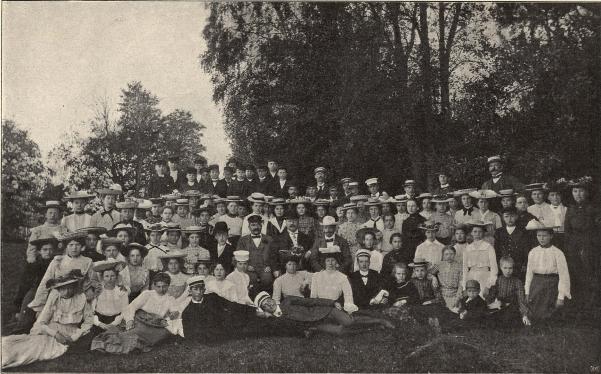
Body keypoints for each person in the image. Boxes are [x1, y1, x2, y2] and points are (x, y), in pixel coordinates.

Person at [2, 271, 94, 369]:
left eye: (69, 288)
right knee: (33, 343)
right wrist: (55, 334)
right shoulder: (54, 298)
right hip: (50, 330)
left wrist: (75, 336)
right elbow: (42, 321)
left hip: (69, 333)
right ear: (58, 289)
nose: (66, 292)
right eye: (63, 289)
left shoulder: (81, 298)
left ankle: (9, 355)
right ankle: (6, 355)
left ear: (74, 287)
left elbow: (88, 321)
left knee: (39, 349)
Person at [91, 273, 180, 354]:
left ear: (168, 286)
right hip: (140, 320)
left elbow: (175, 311)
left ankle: (138, 344)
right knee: (135, 332)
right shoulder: (147, 294)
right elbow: (132, 307)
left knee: (164, 333)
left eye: (164, 286)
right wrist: (130, 320)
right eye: (158, 286)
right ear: (154, 285)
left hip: (155, 324)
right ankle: (111, 345)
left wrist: (173, 314)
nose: (161, 289)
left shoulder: (170, 299)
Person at [256, 291, 395, 337]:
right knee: (341, 332)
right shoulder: (276, 321)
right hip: (316, 325)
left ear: (272, 298)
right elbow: (285, 330)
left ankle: (380, 321)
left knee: (349, 322)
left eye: (268, 300)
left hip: (325, 311)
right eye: (265, 306)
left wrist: (331, 302)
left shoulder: (288, 301)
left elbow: (311, 301)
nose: (269, 304)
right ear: (265, 310)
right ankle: (373, 328)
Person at [28, 231, 94, 313]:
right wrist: (40, 305)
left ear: (82, 247)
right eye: (71, 245)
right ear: (66, 247)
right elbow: (45, 281)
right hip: (58, 297)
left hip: (78, 296)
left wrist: (88, 294)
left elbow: (91, 280)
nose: (74, 248)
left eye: (77, 245)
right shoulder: (58, 260)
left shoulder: (87, 261)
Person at [179, 276, 259, 342]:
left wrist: (253, 310)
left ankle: (266, 317)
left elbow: (231, 305)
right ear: (190, 291)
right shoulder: (187, 312)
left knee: (256, 322)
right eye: (195, 289)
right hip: (221, 335)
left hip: (231, 325)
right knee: (254, 331)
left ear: (204, 289)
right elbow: (189, 335)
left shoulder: (212, 297)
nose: (199, 292)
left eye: (201, 289)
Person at [524, 220, 570, 322]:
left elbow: (564, 276)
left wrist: (561, 297)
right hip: (536, 284)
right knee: (534, 314)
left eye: (544, 235)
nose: (541, 238)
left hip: (551, 285)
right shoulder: (533, 252)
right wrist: (527, 292)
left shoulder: (558, 253)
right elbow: (529, 274)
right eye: (539, 235)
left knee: (549, 315)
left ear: (551, 236)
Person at [563, 177, 600, 305]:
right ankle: (580, 301)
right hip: (574, 245)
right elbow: (567, 229)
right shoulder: (571, 208)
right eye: (575, 191)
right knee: (576, 271)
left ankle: (593, 300)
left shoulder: (594, 208)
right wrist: (570, 245)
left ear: (587, 192)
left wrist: (592, 243)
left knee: (591, 270)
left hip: (591, 244)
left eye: (581, 191)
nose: (578, 194)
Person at [12, 235, 57, 334]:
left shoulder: (57, 263)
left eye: (50, 249)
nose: (48, 252)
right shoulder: (33, 265)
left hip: (54, 291)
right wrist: (18, 307)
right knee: (29, 304)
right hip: (35, 291)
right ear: (39, 251)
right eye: (45, 250)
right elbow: (24, 285)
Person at [309, 247, 357, 314]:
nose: (330, 263)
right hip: (320, 307)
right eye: (328, 260)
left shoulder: (342, 277)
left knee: (347, 322)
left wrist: (349, 310)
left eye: (333, 260)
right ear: (324, 262)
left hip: (335, 308)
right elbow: (313, 297)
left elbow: (348, 295)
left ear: (337, 262)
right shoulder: (316, 276)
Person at [486, 256, 530, 327]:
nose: (508, 271)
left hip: (512, 307)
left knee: (508, 320)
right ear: (500, 268)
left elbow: (521, 299)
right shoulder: (498, 280)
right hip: (499, 305)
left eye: (510, 268)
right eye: (505, 268)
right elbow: (492, 295)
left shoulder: (517, 282)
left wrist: (524, 315)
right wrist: (490, 304)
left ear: (513, 268)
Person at [236, 214, 276, 290]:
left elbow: (274, 256)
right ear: (249, 227)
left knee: (267, 279)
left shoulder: (269, 239)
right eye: (253, 225)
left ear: (261, 226)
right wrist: (246, 266)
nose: (256, 227)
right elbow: (238, 256)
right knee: (250, 279)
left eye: (258, 225)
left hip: (265, 268)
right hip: (249, 268)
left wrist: (269, 266)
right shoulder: (243, 240)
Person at [90, 261, 130, 335]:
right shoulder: (98, 291)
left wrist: (113, 324)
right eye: (107, 276)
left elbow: (125, 311)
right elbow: (91, 311)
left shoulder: (122, 291)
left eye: (112, 276)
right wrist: (99, 323)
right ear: (102, 278)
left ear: (117, 277)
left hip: (117, 321)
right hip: (99, 321)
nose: (109, 279)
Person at [462, 221, 498, 298]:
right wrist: (464, 287)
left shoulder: (488, 247)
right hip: (471, 277)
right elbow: (464, 268)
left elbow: (494, 268)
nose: (477, 234)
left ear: (483, 233)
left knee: (482, 299)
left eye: (480, 232)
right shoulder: (467, 248)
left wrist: (488, 285)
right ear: (471, 233)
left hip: (485, 276)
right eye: (475, 231)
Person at [493, 207, 531, 279]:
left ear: (516, 217)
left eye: (512, 216)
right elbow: (496, 251)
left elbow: (526, 250)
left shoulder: (523, 232)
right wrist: (498, 265)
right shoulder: (499, 232)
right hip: (503, 267)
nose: (509, 219)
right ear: (503, 218)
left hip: (518, 267)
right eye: (506, 216)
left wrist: (525, 264)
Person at [430, 246, 463, 310]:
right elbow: (429, 274)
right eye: (446, 254)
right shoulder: (439, 264)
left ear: (455, 254)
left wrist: (457, 297)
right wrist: (434, 277)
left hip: (455, 294)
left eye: (451, 254)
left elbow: (461, 282)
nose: (449, 256)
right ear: (443, 255)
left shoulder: (459, 266)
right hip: (441, 294)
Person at [547, 184, 567, 249]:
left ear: (561, 196)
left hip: (564, 238)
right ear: (548, 197)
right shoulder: (544, 210)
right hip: (550, 238)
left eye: (557, 195)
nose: (555, 197)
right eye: (552, 195)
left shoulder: (566, 209)